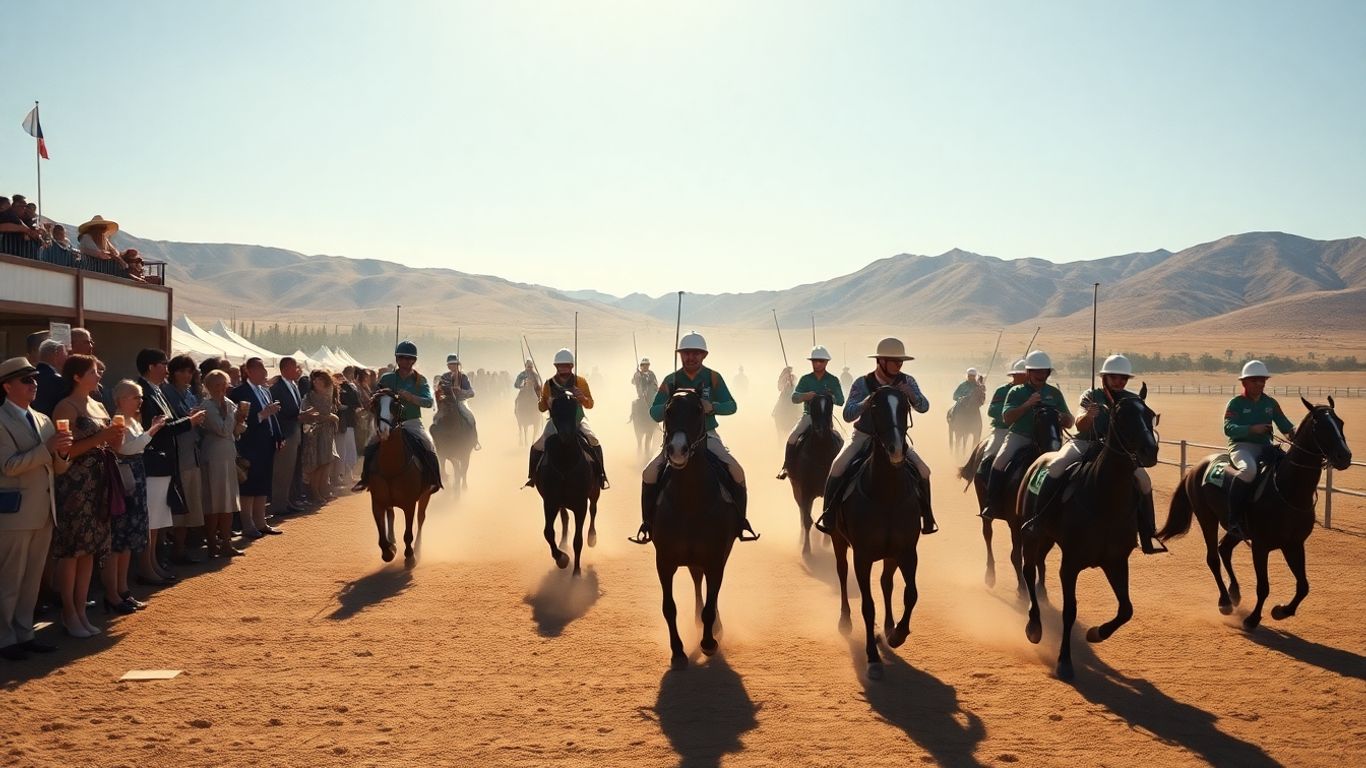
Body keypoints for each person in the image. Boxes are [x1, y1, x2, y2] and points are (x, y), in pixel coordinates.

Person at [632, 332, 756, 543]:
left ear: (703, 355)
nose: (691, 357)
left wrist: (712, 406)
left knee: (737, 470)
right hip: (674, 439)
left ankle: (740, 523)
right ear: (681, 355)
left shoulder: (713, 378)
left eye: (695, 353)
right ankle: (648, 524)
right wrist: (668, 406)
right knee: (649, 473)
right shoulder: (670, 381)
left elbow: (732, 406)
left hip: (707, 435)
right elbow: (654, 413)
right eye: (686, 353)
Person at [1041, 354, 1165, 554]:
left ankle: (1148, 533)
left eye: (1123, 378)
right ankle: (1039, 518)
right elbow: (1080, 423)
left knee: (1144, 481)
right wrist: (1089, 416)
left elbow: (1145, 420)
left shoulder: (1131, 398)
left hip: (1116, 450)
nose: (1119, 381)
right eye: (1114, 377)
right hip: (1084, 442)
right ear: (1104, 377)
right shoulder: (1090, 395)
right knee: (1056, 467)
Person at [816, 338, 937, 535]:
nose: (899, 366)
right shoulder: (862, 383)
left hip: (895, 438)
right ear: (881, 361)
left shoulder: (908, 381)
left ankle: (928, 518)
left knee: (924, 470)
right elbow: (848, 414)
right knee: (837, 467)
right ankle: (828, 517)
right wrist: (866, 402)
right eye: (895, 361)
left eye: (901, 362)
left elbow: (924, 407)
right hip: (863, 436)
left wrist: (912, 395)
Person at [0, 358, 72, 659]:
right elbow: (8, 465)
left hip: (43, 509)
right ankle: (5, 638)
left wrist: (63, 454)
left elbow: (55, 467)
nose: (34, 385)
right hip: (15, 512)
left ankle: (25, 632)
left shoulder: (42, 419)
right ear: (7, 386)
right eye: (26, 381)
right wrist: (47, 450)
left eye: (34, 380)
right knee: (10, 579)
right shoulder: (1, 420)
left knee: (31, 579)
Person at [51, 354, 123, 638]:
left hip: (100, 482)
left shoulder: (97, 404)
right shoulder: (65, 407)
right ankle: (68, 613)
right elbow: (64, 452)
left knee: (90, 551)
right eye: (93, 372)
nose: (99, 377)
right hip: (75, 486)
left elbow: (111, 445)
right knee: (72, 552)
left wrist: (115, 438)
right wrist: (102, 438)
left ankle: (80, 610)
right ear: (77, 377)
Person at [982, 350, 1075, 519]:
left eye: (1044, 371)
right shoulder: (1016, 392)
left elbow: (1070, 421)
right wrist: (1028, 404)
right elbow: (1007, 417)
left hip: (1050, 438)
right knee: (999, 462)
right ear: (1028, 372)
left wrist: (1063, 417)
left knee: (1071, 466)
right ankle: (992, 504)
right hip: (1021, 436)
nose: (1041, 375)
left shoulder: (1054, 393)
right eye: (1037, 371)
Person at [137, 349, 206, 575]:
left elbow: (167, 425)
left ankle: (155, 563)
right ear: (151, 367)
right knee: (153, 518)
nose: (166, 369)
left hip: (165, 461)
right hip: (153, 460)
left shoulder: (155, 390)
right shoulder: (144, 392)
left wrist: (188, 421)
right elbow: (158, 430)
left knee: (158, 518)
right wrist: (190, 422)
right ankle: (148, 566)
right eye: (163, 364)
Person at [351, 342, 442, 495]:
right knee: (371, 444)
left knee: (428, 445)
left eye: (409, 358)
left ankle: (434, 480)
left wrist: (411, 397)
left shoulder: (421, 380)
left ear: (414, 361)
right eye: (402, 358)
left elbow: (429, 402)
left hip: (412, 422)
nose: (405, 361)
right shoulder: (387, 378)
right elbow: (377, 398)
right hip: (389, 423)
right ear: (397, 359)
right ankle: (365, 479)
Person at [108, 379, 165, 610]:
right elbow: (123, 449)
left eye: (140, 396)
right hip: (126, 481)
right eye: (135, 397)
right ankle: (115, 592)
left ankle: (123, 590)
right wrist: (152, 431)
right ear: (121, 399)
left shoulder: (132, 421)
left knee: (129, 539)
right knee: (120, 539)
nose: (140, 401)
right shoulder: (118, 420)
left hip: (136, 478)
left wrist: (148, 431)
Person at [1223, 360, 1295, 540]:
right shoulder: (1236, 403)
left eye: (1262, 380)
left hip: (1266, 447)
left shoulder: (1270, 403)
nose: (1260, 384)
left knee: (1289, 472)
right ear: (1244, 382)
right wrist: (1251, 429)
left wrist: (1297, 433)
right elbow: (1228, 428)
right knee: (1248, 471)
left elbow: (1285, 426)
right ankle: (1234, 520)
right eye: (1255, 380)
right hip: (1241, 447)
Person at [525, 348, 607, 490]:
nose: (563, 368)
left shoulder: (580, 382)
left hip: (578, 420)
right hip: (555, 423)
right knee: (537, 446)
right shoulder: (548, 384)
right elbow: (542, 408)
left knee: (593, 440)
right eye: (560, 365)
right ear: (556, 366)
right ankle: (533, 477)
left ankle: (601, 475)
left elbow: (590, 404)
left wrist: (582, 397)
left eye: (566, 365)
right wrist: (543, 399)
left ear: (571, 366)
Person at [230, 358, 284, 538]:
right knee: (249, 485)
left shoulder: (264, 391)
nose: (265, 373)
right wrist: (261, 415)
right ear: (249, 371)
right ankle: (247, 524)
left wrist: (278, 436)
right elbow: (239, 422)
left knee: (263, 484)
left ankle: (261, 522)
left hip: (266, 444)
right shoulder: (239, 392)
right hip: (249, 444)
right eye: (260, 369)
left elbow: (272, 417)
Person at [777, 345, 845, 479]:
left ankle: (843, 470)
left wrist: (832, 397)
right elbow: (794, 398)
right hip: (808, 416)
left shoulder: (833, 380)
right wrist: (805, 396)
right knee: (792, 437)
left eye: (820, 361)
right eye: (814, 361)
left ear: (826, 362)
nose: (817, 363)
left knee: (840, 441)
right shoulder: (805, 379)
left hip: (826, 417)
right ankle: (786, 467)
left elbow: (841, 400)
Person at [163, 355, 206, 565]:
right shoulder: (166, 393)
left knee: (189, 505)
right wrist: (190, 419)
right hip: (177, 454)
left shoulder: (189, 394)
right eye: (182, 370)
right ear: (173, 372)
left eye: (189, 371)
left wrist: (198, 418)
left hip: (192, 452)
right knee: (176, 507)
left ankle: (180, 549)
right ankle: (170, 551)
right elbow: (170, 424)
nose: (186, 375)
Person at [198, 370, 246, 558]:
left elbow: (235, 432)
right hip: (213, 455)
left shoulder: (230, 404)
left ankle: (226, 542)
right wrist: (232, 417)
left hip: (227, 453)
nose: (220, 389)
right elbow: (222, 429)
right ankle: (212, 543)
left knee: (228, 501)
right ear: (208, 387)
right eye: (216, 385)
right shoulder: (207, 406)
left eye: (222, 384)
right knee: (213, 501)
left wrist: (240, 421)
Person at [975, 360, 1028, 484]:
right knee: (989, 455)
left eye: (1026, 374)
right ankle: (985, 483)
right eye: (1020, 374)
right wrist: (1012, 413)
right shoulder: (1002, 390)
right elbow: (992, 410)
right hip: (1002, 430)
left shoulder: (1032, 391)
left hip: (1028, 431)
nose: (1024, 377)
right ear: (1013, 375)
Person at [270, 357, 309, 516]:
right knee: (281, 472)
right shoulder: (277, 388)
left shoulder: (293, 385)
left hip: (295, 433)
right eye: (295, 367)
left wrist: (301, 415)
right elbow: (278, 413)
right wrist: (298, 416)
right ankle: (278, 505)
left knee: (291, 471)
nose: (298, 370)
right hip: (285, 434)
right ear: (285, 369)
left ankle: (286, 501)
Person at [300, 369, 340, 505]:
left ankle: (323, 491)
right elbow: (311, 415)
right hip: (314, 434)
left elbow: (331, 410)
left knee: (326, 462)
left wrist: (331, 417)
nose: (316, 381)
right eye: (314, 379)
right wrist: (330, 417)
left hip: (327, 433)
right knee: (317, 464)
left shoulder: (330, 392)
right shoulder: (309, 396)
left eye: (319, 379)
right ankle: (315, 494)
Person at [435, 354, 478, 431]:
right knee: (436, 419)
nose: (452, 366)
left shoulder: (463, 377)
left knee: (470, 417)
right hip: (446, 402)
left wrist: (461, 391)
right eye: (450, 364)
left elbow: (471, 392)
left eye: (454, 364)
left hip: (460, 402)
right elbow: (439, 390)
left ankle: (473, 438)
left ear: (458, 365)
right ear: (448, 366)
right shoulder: (444, 377)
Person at [336, 366, 362, 485]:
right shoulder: (343, 386)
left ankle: (348, 474)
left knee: (350, 449)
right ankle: (343, 476)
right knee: (345, 450)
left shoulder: (351, 385)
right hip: (344, 422)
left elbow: (357, 402)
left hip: (350, 421)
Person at [31, 339, 68, 417]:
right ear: (56, 353)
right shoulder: (57, 381)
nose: (67, 356)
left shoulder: (30, 377)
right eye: (65, 352)